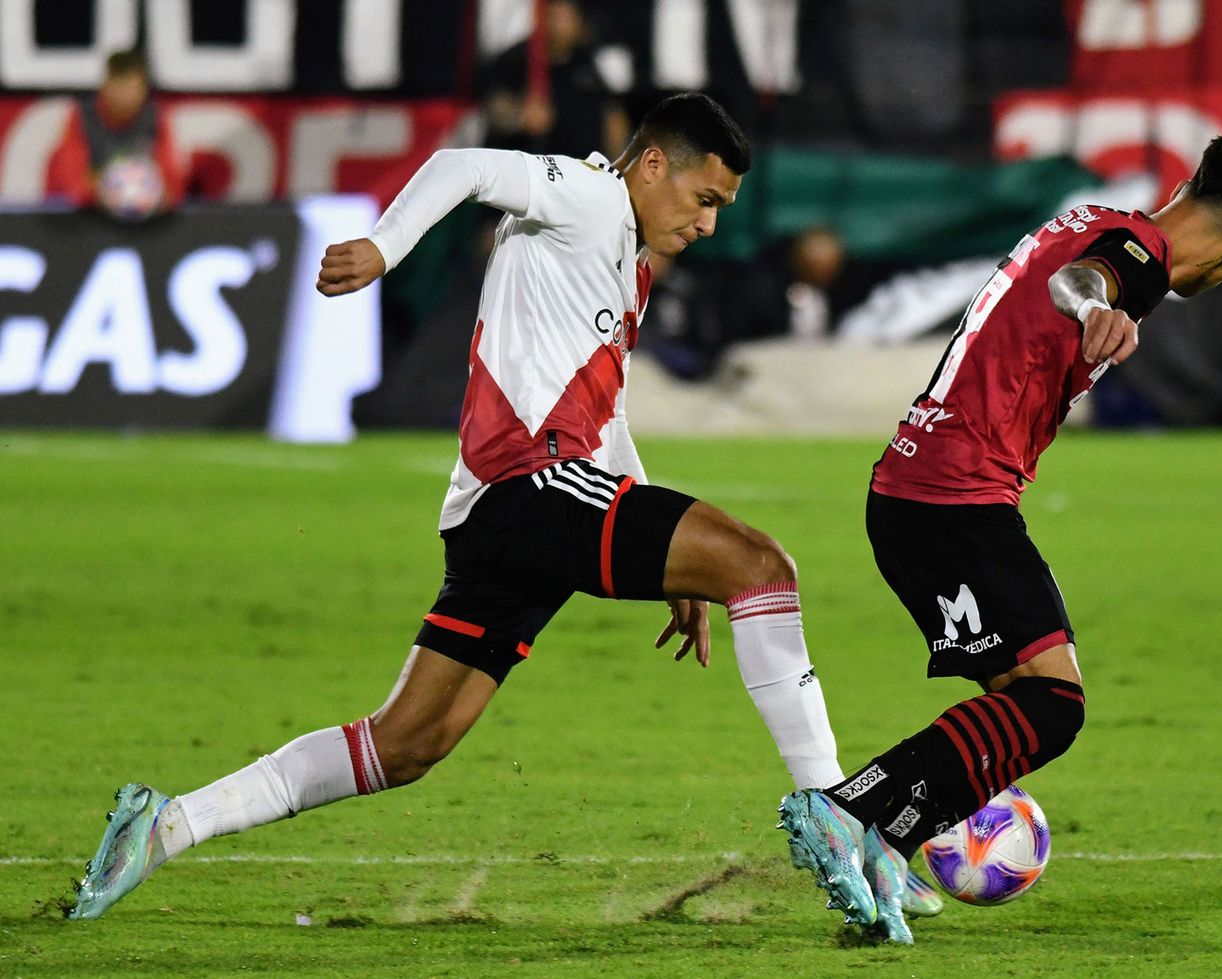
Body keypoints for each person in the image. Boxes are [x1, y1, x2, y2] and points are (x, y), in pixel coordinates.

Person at [65, 93, 880, 927]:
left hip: (506, 513)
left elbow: (610, 414)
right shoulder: (591, 195)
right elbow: (468, 167)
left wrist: (674, 564)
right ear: (654, 165)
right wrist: (385, 247)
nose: (709, 224)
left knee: (406, 742)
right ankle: (834, 811)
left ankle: (166, 824)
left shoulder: (625, 260)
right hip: (531, 486)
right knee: (762, 566)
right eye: (705, 200)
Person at [776, 128, 1222, 942]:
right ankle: (849, 810)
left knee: (1015, 702)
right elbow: (1076, 283)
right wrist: (1100, 306)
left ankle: (887, 841)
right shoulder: (1133, 254)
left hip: (923, 490)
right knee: (1051, 704)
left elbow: (1072, 269)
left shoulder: (1096, 218)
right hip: (953, 498)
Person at [481, 0, 630, 159]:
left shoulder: (587, 61)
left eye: (567, 17)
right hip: (526, 168)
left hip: (579, 170)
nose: (560, 25)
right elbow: (493, 106)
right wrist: (520, 117)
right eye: (555, 16)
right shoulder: (515, 59)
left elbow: (612, 115)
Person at [49, 49, 185, 220]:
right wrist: (106, 190)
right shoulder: (83, 117)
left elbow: (173, 185)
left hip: (147, 225)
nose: (126, 96)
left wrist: (151, 195)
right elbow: (71, 182)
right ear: (106, 86)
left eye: (132, 88)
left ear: (143, 89)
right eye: (120, 87)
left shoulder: (155, 118)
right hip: (88, 222)